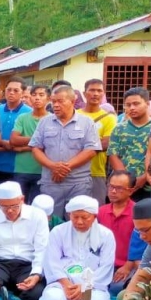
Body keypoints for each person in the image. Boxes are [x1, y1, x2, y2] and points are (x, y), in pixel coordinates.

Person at [28, 85, 101, 218]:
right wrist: (53, 166)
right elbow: (35, 148)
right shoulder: (45, 122)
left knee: (77, 221)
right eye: (53, 101)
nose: (55, 105)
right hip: (51, 182)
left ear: (72, 101)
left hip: (78, 183)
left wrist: (65, 168)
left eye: (60, 101)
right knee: (49, 222)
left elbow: (91, 150)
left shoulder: (87, 122)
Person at [0, 181, 49, 300]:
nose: (9, 211)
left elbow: (43, 248)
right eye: (4, 206)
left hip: (27, 264)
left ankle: (10, 287)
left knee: (34, 294)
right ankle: (9, 286)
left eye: (14, 206)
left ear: (22, 199)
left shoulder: (38, 216)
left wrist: (36, 274)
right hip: (1, 263)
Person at [38, 195, 115, 300]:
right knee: (52, 298)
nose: (79, 222)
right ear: (69, 215)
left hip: (92, 285)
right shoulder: (58, 232)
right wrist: (66, 285)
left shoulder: (106, 235)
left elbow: (106, 267)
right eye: (75, 217)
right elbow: (51, 262)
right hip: (63, 283)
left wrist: (84, 287)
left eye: (84, 217)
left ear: (94, 216)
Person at [107, 87, 151, 201]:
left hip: (149, 184)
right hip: (122, 187)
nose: (132, 108)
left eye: (136, 104)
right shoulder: (119, 128)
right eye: (128, 105)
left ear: (147, 104)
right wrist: (126, 179)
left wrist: (145, 176)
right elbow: (113, 155)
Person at [75, 79, 116, 203]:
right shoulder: (74, 115)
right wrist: (94, 142)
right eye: (92, 90)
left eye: (99, 91)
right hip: (74, 172)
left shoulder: (109, 118)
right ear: (85, 93)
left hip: (97, 172)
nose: (96, 94)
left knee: (96, 210)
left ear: (103, 94)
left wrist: (80, 143)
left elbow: (105, 144)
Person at [98, 170, 138, 295]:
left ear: (130, 191)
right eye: (111, 186)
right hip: (102, 265)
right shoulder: (100, 211)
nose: (113, 191)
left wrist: (128, 266)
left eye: (119, 188)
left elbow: (141, 245)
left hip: (126, 265)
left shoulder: (138, 213)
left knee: (116, 288)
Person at [10, 84, 49, 201]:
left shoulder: (52, 119)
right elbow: (14, 140)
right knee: (18, 203)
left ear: (49, 98)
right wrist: (38, 139)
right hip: (21, 169)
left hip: (43, 169)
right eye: (34, 95)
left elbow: (50, 144)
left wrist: (23, 148)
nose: (37, 98)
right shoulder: (22, 117)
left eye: (41, 95)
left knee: (37, 205)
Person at [0, 77, 31, 188]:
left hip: (19, 166)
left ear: (23, 93)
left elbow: (33, 138)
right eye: (9, 90)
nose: (11, 93)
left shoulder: (29, 113)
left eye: (16, 90)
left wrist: (12, 145)